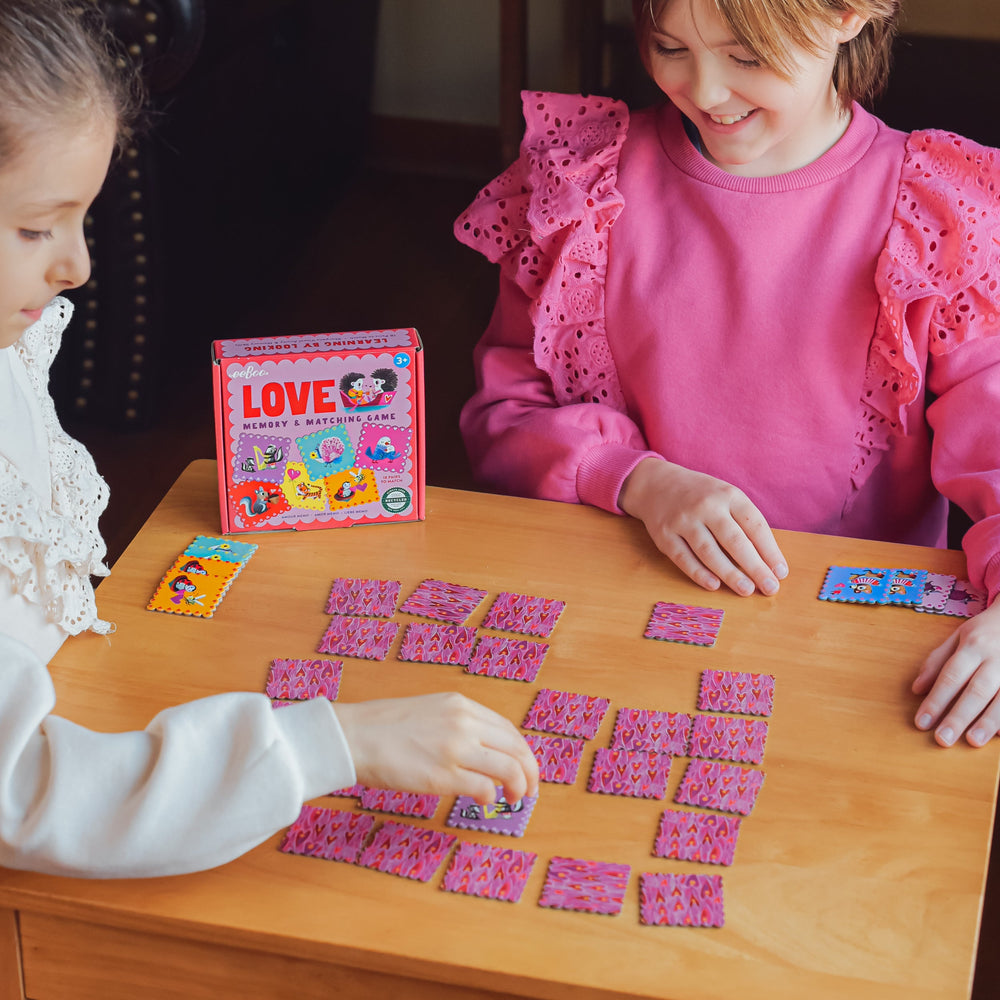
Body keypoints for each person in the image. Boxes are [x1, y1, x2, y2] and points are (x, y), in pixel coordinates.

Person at [0, 0, 537, 879]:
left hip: (94, 724)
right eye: (37, 228)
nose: (79, 268)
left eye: (84, 220)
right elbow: (26, 797)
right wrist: (334, 742)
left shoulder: (12, 340)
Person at [457, 0, 1000, 750]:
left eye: (746, 57)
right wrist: (636, 479)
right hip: (615, 619)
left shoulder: (938, 211)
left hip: (848, 661)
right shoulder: (583, 181)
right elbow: (504, 414)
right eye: (671, 47)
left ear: (849, 13)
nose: (705, 91)